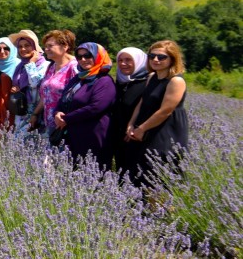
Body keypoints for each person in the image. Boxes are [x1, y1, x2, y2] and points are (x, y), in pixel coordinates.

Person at [125, 40, 188, 186]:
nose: (155, 60)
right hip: (147, 128)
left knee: (160, 176)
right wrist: (131, 124)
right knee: (142, 173)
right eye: (152, 56)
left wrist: (141, 128)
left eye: (161, 57)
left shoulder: (176, 80)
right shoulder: (152, 77)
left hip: (166, 132)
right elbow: (142, 102)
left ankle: (162, 208)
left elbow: (165, 111)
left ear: (172, 59)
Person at [54, 43, 116, 168]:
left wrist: (66, 119)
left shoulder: (104, 80)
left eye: (87, 55)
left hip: (93, 135)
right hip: (73, 134)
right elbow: (64, 99)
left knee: (94, 173)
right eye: (79, 56)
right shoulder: (78, 78)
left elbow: (96, 107)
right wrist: (57, 112)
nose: (83, 59)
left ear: (98, 56)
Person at [109, 47, 149, 178]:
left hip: (135, 137)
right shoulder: (120, 82)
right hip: (117, 137)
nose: (123, 64)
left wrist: (135, 128)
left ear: (139, 61)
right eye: (120, 60)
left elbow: (148, 109)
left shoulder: (146, 83)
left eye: (128, 60)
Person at [35, 30, 78, 137]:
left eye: (50, 46)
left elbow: (79, 97)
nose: (46, 49)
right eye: (45, 46)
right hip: (49, 124)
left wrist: (67, 118)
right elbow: (45, 95)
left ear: (65, 47)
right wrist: (35, 114)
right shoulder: (51, 67)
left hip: (65, 124)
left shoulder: (75, 67)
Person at [9, 30, 49, 137]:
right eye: (20, 46)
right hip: (22, 111)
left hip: (38, 113)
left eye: (27, 45)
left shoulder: (45, 65)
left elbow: (34, 83)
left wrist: (31, 64)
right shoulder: (20, 66)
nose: (23, 49)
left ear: (35, 46)